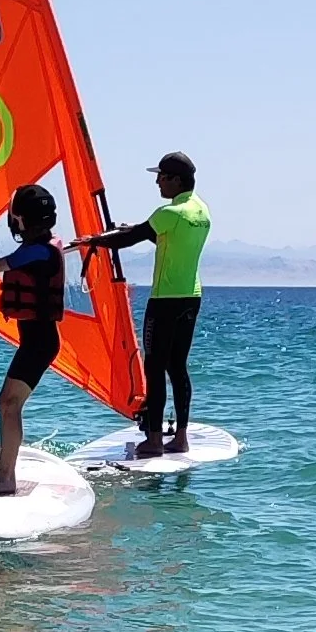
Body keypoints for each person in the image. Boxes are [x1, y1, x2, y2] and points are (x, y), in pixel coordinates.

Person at [81, 151, 212, 453]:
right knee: (178, 367)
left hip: (164, 300)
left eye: (161, 177)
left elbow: (133, 238)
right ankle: (180, 438)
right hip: (191, 297)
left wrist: (94, 240)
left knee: (154, 369)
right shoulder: (200, 211)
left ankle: (154, 440)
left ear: (176, 180)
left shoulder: (169, 213)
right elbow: (163, 237)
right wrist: (132, 230)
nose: (157, 182)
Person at [0, 180, 66, 501]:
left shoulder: (39, 251)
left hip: (40, 342)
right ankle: (5, 472)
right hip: (37, 341)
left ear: (21, 220)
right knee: (8, 403)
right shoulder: (42, 248)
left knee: (8, 403)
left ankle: (5, 478)